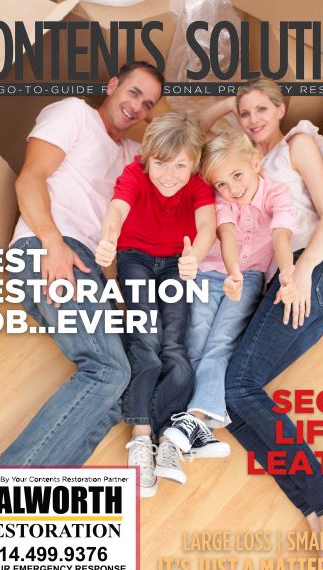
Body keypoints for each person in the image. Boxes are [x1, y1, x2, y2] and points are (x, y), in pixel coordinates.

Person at [200, 79, 323, 570]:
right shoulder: (242, 165)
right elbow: (201, 131)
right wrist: (230, 103)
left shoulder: (296, 145)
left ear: (281, 109)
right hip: (283, 283)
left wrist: (299, 273)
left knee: (238, 389)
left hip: (313, 274)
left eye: (261, 109)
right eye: (244, 112)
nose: (251, 119)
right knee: (229, 397)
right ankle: (320, 508)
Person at [0, 62, 163, 467]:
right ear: (113, 85)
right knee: (107, 370)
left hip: (89, 267)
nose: (138, 106)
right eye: (134, 92)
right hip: (50, 246)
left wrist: (226, 105)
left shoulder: (134, 156)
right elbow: (29, 178)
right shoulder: (74, 113)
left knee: (126, 385)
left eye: (149, 103)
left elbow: (187, 148)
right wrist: (52, 244)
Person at [95, 112, 216, 497]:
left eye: (180, 165)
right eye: (161, 164)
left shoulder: (197, 185)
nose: (168, 175)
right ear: (147, 159)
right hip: (135, 257)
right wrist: (109, 237)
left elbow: (208, 225)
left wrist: (194, 256)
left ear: (194, 164)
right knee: (144, 336)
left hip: (178, 265)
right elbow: (117, 209)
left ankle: (166, 440)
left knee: (175, 348)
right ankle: (141, 434)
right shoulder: (134, 174)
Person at [164, 130, 297, 458]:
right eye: (221, 183)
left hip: (249, 278)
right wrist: (230, 269)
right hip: (213, 272)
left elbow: (281, 237)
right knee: (195, 342)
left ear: (255, 162)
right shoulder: (221, 200)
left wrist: (289, 274)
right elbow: (226, 234)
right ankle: (196, 430)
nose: (232, 189)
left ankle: (194, 420)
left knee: (221, 342)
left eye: (236, 176)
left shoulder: (278, 194)